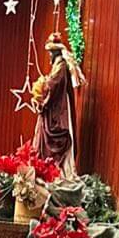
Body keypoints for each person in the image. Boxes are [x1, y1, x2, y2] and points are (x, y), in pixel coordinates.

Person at [31, 30, 86, 180]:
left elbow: (53, 85)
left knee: (56, 138)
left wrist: (42, 87)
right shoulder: (58, 65)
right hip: (52, 108)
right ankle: (46, 172)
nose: (49, 55)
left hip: (58, 110)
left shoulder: (61, 66)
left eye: (51, 52)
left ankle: (58, 174)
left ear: (56, 52)